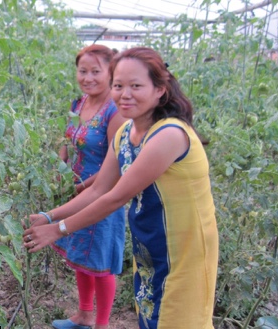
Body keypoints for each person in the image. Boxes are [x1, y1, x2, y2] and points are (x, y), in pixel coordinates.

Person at [24, 47, 219, 329]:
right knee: (151, 312)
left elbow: (116, 197)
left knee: (176, 319)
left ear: (160, 90)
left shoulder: (170, 135)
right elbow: (97, 189)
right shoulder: (127, 134)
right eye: (118, 85)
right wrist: (48, 216)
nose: (124, 94)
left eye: (136, 86)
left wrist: (57, 229)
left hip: (184, 249)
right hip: (152, 242)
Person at [48, 44, 127, 329]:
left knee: (101, 263)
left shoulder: (115, 111)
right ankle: (83, 315)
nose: (88, 77)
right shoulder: (78, 104)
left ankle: (101, 324)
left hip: (103, 192)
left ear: (111, 73)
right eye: (83, 71)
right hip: (77, 190)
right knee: (80, 255)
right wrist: (60, 170)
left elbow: (116, 159)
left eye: (96, 71)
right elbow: (65, 139)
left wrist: (88, 185)